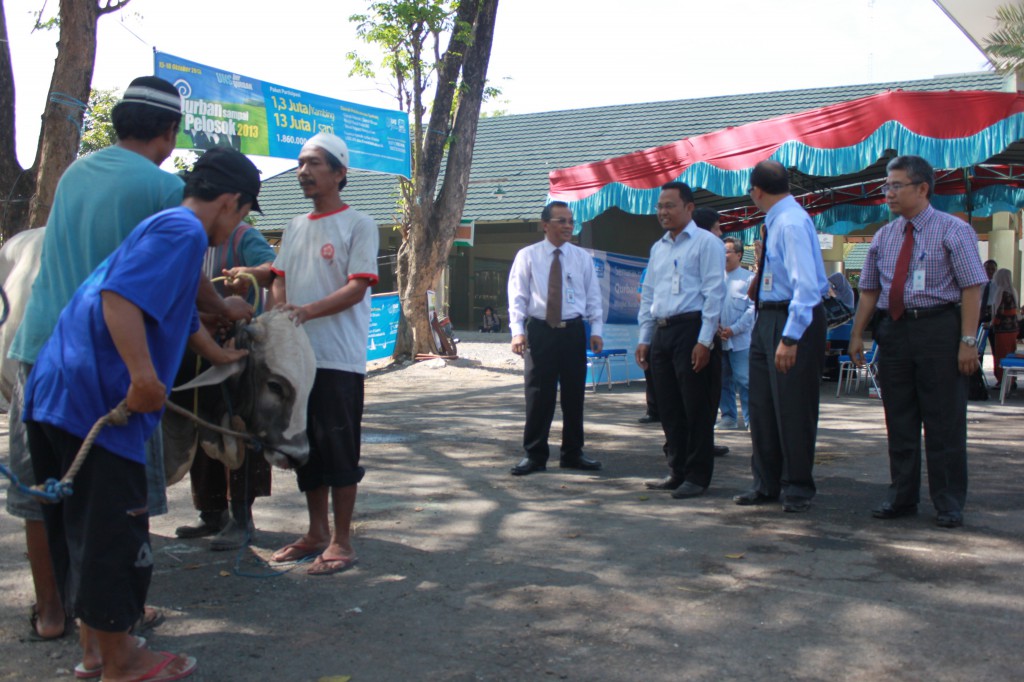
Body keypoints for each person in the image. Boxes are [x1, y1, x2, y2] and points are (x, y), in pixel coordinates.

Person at [6, 77, 250, 644]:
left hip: (38, 352)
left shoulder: (73, 172)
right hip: (105, 370)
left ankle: (51, 613)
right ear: (169, 133)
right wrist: (224, 310)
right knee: (114, 505)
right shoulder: (169, 195)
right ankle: (116, 623)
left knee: (43, 492)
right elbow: (173, 289)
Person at [849, 154, 988, 529]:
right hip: (893, 331)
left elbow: (973, 287)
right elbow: (868, 291)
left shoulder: (952, 230)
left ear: (922, 188)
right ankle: (902, 495)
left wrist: (968, 341)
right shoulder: (884, 235)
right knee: (900, 417)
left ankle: (947, 501)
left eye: (896, 186)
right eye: (886, 186)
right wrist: (856, 334)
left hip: (938, 329)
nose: (888, 193)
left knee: (944, 419)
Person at [268, 132, 379, 575]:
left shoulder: (359, 224)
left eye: (314, 163)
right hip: (298, 362)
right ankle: (315, 532)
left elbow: (357, 286)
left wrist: (305, 312)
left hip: (338, 358)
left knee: (339, 448)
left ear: (339, 172)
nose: (304, 171)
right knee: (305, 447)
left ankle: (342, 541)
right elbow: (278, 275)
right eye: (300, 163)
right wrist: (280, 311)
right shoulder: (294, 226)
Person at [174, 222, 278, 550]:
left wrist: (250, 272)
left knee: (237, 430)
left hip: (236, 348)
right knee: (202, 426)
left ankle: (242, 518)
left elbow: (271, 267)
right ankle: (211, 512)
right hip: (196, 346)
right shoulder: (187, 236)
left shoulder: (242, 234)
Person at [734, 161, 828, 513]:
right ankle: (766, 483)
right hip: (767, 317)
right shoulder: (775, 222)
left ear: (756, 191)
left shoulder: (789, 223)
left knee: (793, 406)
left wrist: (790, 338)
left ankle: (798, 486)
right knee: (761, 407)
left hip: (792, 319)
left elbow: (806, 287)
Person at [638, 182, 725, 499]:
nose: (663, 212)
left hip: (693, 329)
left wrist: (705, 341)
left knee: (696, 407)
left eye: (670, 205)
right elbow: (649, 293)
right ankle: (676, 470)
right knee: (669, 408)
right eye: (660, 206)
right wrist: (645, 337)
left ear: (689, 208)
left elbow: (714, 293)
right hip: (663, 332)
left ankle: (698, 476)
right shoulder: (658, 247)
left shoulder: (706, 244)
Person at [507, 201, 604, 476]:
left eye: (571, 221)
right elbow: (517, 296)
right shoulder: (528, 256)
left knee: (574, 395)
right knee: (538, 395)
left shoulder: (581, 257)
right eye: (561, 221)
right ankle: (535, 455)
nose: (568, 226)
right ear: (545, 224)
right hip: (540, 331)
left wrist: (596, 330)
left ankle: (573, 453)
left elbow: (593, 295)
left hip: (573, 331)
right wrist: (517, 331)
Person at [690, 209, 731, 456]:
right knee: (702, 392)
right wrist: (706, 337)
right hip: (699, 332)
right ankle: (695, 445)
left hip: (707, 329)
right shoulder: (706, 248)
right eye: (717, 227)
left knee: (709, 392)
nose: (720, 233)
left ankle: (704, 440)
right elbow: (712, 293)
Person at [716, 237, 754, 430]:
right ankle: (728, 417)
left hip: (740, 340)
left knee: (744, 380)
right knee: (722, 380)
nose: (724, 255)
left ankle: (750, 419)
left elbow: (752, 309)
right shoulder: (715, 277)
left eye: (727, 252)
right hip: (718, 338)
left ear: (739, 255)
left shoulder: (749, 278)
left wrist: (734, 329)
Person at [989, 268, 1021, 387]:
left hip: (1003, 330)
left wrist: (993, 322)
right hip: (1013, 329)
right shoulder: (1013, 291)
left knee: (1001, 354)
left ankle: (1003, 380)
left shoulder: (1002, 292)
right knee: (1010, 352)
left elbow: (1000, 312)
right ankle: (1011, 380)